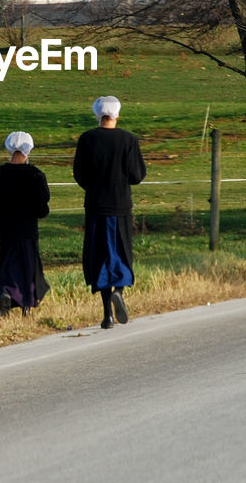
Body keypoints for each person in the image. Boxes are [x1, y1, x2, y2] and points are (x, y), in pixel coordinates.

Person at [73, 95, 146, 329]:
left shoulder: (87, 139)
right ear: (117, 115)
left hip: (96, 206)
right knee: (122, 250)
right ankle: (120, 291)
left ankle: (107, 315)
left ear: (97, 115)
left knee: (100, 255)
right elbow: (137, 175)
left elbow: (79, 174)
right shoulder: (128, 139)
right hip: (121, 205)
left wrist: (94, 186)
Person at [0, 131, 52, 317]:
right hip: (27, 232)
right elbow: (42, 208)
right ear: (28, 149)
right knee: (28, 271)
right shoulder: (35, 174)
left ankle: (5, 293)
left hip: (5, 232)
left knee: (7, 267)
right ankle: (26, 307)